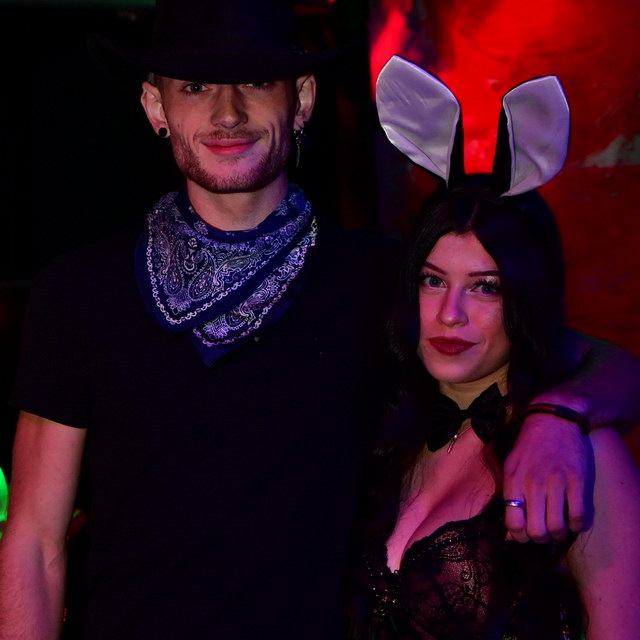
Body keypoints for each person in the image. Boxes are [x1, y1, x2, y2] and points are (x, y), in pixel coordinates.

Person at [0, 7, 639, 640]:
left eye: (257, 82)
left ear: (302, 100)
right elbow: (33, 538)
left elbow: (594, 360)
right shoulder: (79, 292)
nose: (228, 113)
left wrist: (558, 415)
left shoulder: (385, 279)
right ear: (154, 107)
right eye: (194, 86)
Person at [346, 56, 640, 639]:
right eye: (433, 281)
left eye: (486, 287)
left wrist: (558, 415)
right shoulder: (389, 433)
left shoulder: (584, 453)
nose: (450, 313)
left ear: (525, 299)